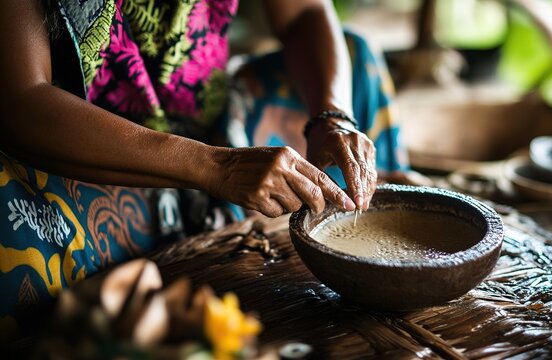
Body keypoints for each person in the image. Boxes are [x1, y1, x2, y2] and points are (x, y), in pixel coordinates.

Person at [0, 0, 409, 339]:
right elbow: (20, 101)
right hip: (94, 162)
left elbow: (304, 14)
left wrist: (333, 117)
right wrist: (217, 167)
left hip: (216, 130)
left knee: (354, 54)